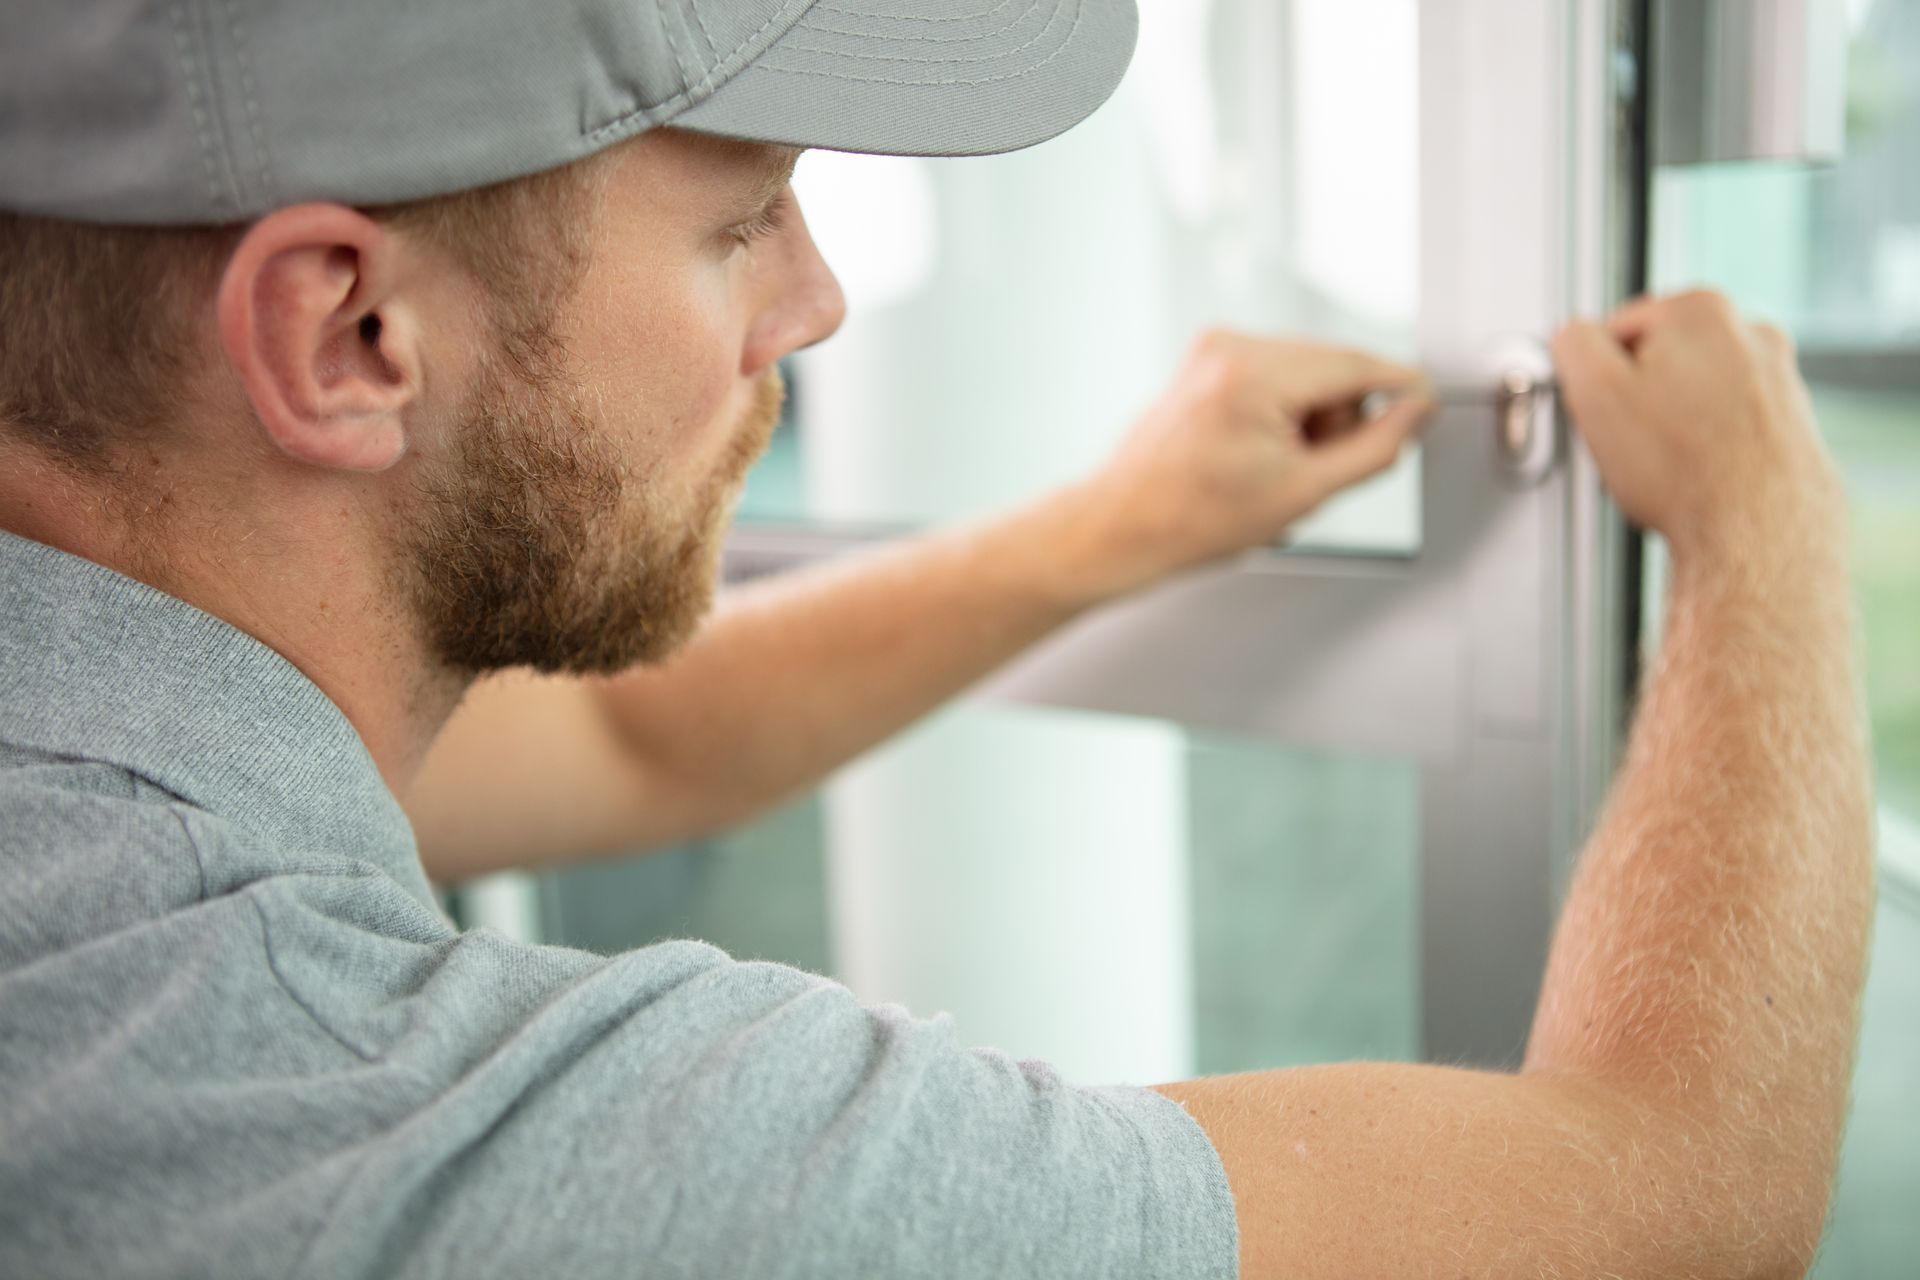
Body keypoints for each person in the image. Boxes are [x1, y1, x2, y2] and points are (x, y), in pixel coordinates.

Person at [0, 2, 1872, 1278]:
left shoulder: (92, 736)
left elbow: (647, 745)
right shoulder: (376, 1114)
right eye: (740, 222)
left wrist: (1117, 527)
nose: (812, 301)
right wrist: (1767, 529)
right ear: (346, 337)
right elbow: (1681, 1193)